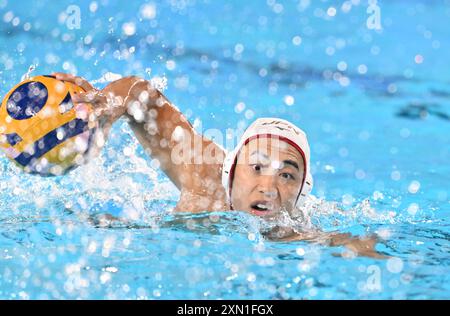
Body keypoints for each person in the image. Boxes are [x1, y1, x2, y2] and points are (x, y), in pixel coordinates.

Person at [52, 72, 386, 259]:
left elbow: (341, 242)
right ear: (231, 170)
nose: (268, 188)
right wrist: (109, 103)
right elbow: (142, 95)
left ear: (302, 190)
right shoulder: (204, 173)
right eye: (256, 167)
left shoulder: (292, 232)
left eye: (287, 175)